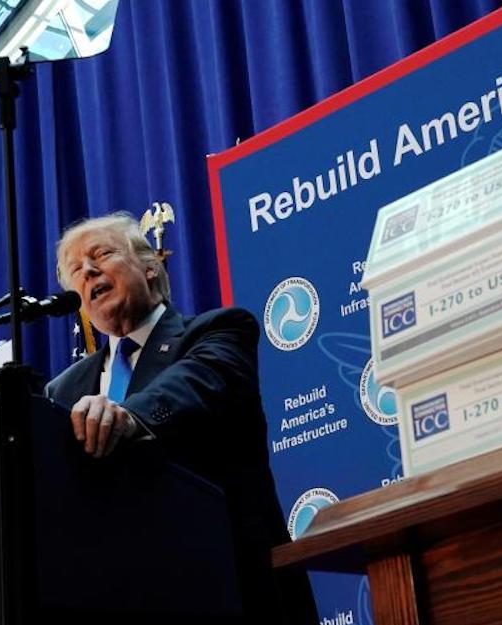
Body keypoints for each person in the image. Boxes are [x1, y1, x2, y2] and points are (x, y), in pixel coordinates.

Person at [45, 213, 317, 624]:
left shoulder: (219, 330)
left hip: (229, 587)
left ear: (150, 266)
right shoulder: (62, 392)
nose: (88, 271)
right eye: (75, 271)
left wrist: (124, 416)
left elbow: (196, 384)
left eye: (101, 254)